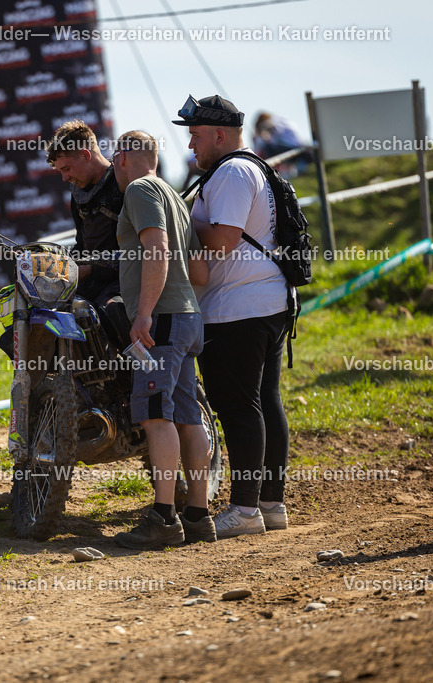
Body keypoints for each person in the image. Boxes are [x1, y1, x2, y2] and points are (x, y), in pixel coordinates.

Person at [173, 94, 292, 537]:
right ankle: (269, 505)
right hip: (264, 301)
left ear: (219, 135)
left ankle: (244, 510)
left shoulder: (232, 172)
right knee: (264, 403)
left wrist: (180, 222)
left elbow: (223, 240)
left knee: (239, 408)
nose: (191, 145)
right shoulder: (252, 167)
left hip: (236, 308)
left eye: (196, 136)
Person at [109, 130, 214, 549]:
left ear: (121, 158)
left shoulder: (139, 189)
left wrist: (144, 312)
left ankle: (164, 517)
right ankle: (199, 516)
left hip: (163, 322)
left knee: (156, 416)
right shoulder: (175, 197)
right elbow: (201, 272)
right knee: (189, 416)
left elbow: (157, 248)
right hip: (188, 317)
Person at [46, 120, 122, 307]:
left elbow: (141, 250)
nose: (65, 178)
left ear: (86, 155)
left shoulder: (123, 184)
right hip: (91, 283)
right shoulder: (78, 192)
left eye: (66, 169)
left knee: (112, 310)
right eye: (60, 171)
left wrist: (90, 270)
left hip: (123, 281)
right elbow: (81, 243)